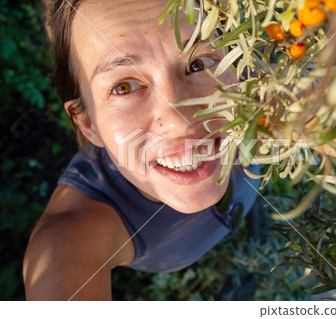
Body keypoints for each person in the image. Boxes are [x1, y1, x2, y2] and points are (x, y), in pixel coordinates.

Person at [23, 0, 260, 300]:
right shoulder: (73, 233)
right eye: (124, 87)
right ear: (86, 123)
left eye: (198, 64)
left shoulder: (265, 94)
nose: (180, 122)